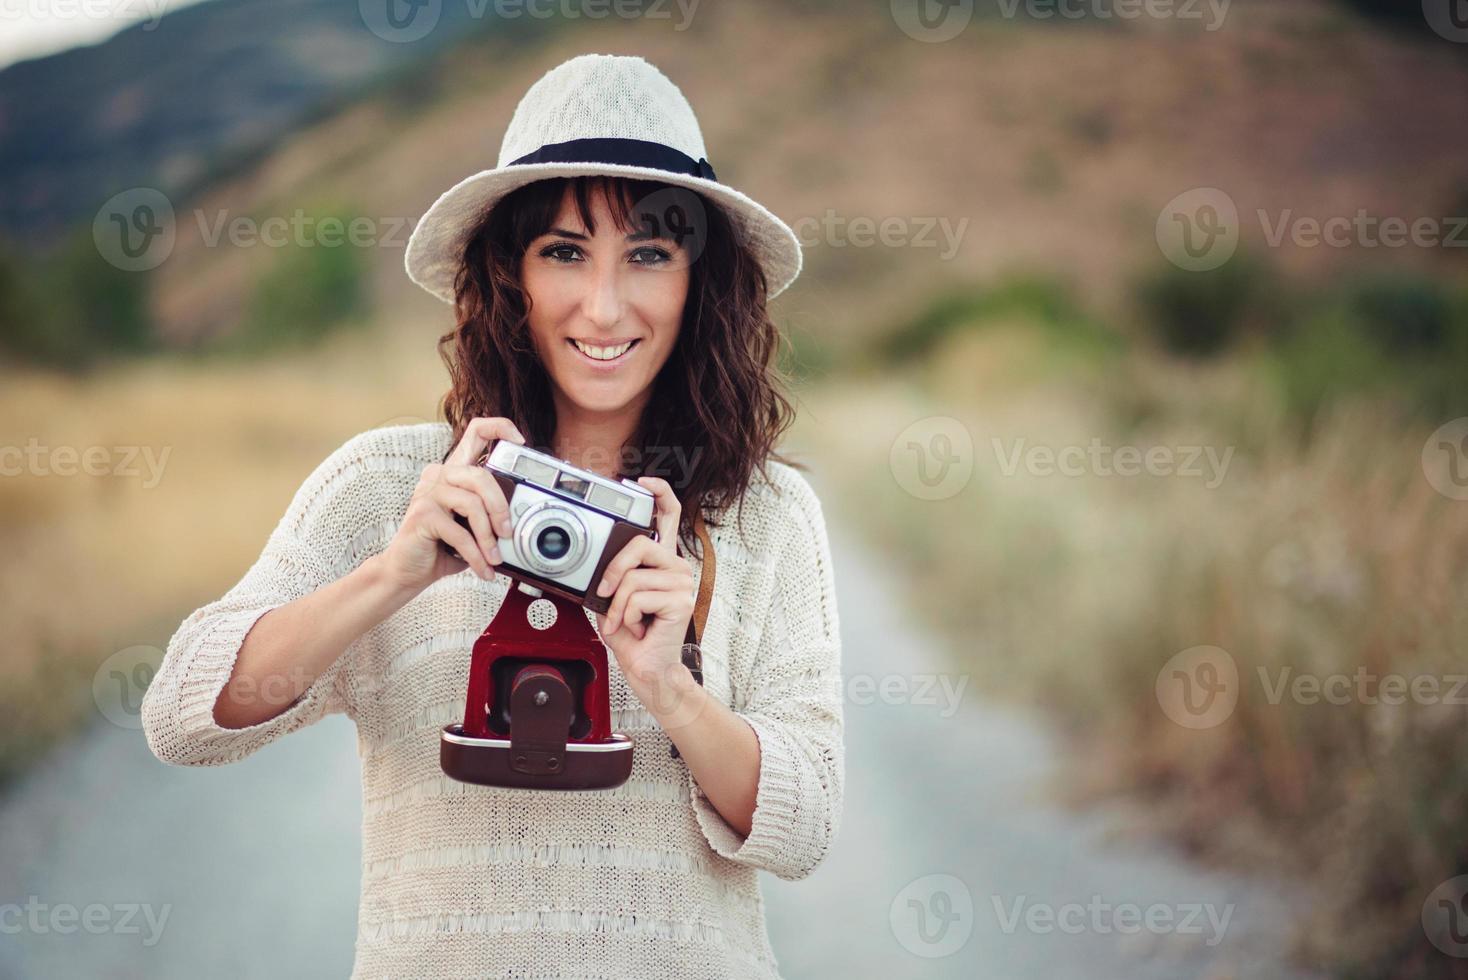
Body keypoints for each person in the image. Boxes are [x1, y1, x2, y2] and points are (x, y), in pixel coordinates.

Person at [141, 52, 843, 979]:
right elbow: (184, 717)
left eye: (648, 254)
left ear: (699, 283)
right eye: (563, 251)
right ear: (506, 273)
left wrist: (672, 689)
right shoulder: (392, 484)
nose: (604, 304)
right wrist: (390, 577)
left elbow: (806, 824)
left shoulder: (765, 512)